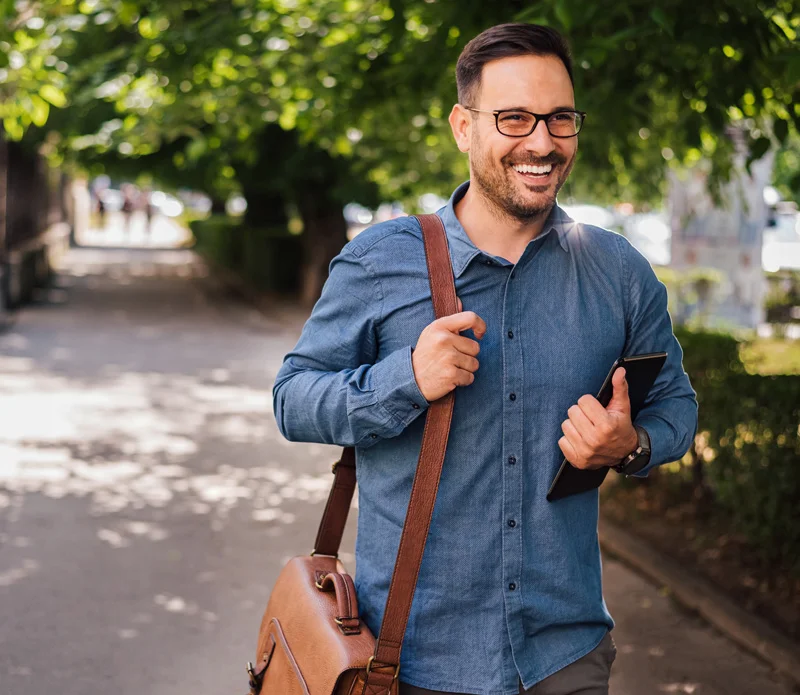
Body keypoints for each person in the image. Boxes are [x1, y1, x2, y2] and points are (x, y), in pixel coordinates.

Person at [273, 23, 697, 695]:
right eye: (515, 118)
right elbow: (292, 398)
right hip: (411, 661)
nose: (541, 142)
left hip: (565, 657)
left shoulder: (618, 270)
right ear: (463, 127)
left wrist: (633, 442)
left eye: (560, 119)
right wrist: (404, 379)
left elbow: (675, 402)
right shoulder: (380, 260)